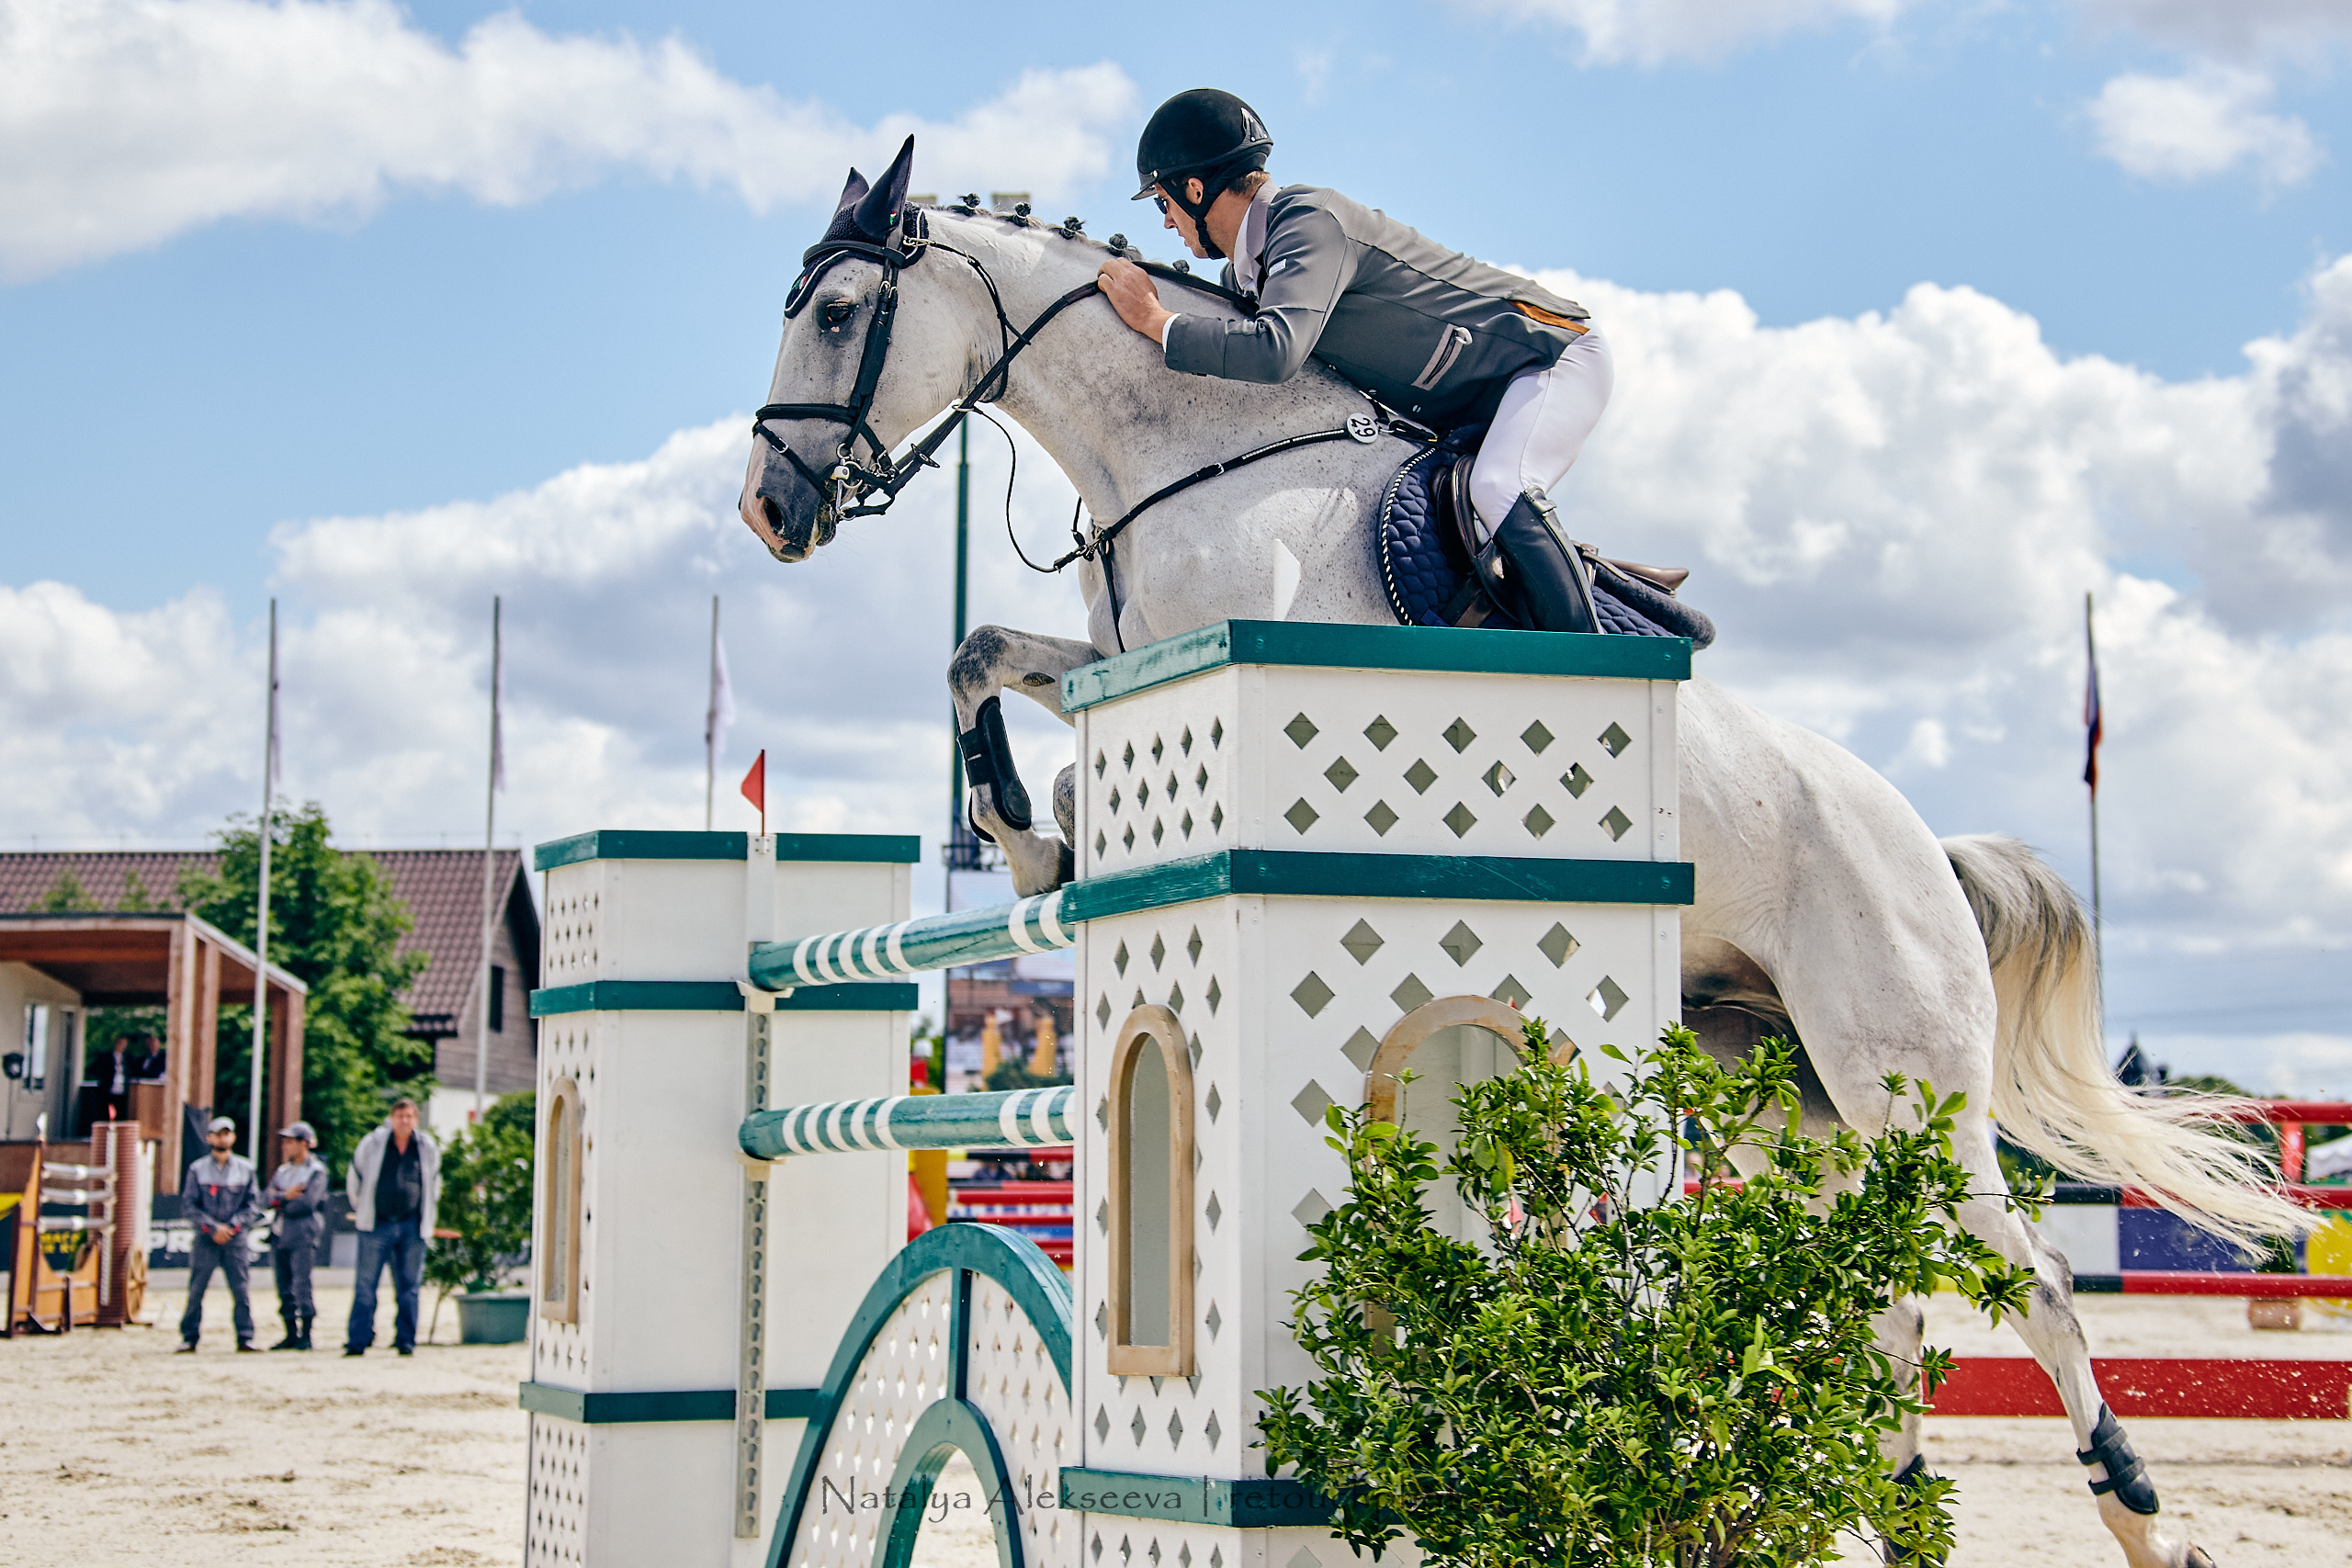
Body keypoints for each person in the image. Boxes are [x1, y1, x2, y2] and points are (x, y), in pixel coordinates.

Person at [1095, 88, 1615, 633]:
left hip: (1551, 355)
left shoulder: (1308, 221)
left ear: (1194, 188)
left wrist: (1156, 320)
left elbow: (1274, 352)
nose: (1165, 221)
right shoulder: (1247, 271)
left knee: (1498, 486)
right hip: (1472, 399)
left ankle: (1593, 662)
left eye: (1162, 202)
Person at [344, 1099, 438, 1358]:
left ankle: (406, 1341)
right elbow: (355, 1176)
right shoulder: (373, 1143)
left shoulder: (426, 1146)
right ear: (391, 1118)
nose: (404, 1121)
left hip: (412, 1225)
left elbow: (434, 1181)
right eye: (399, 1116)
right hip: (377, 1224)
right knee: (365, 1286)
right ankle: (358, 1341)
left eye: (409, 1116)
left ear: (416, 1119)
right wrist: (362, 1208)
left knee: (409, 1287)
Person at [177, 1114, 261, 1352]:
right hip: (207, 1238)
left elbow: (253, 1205)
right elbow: (189, 1205)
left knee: (241, 1290)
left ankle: (245, 1337)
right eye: (218, 1134)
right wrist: (212, 1228)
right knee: (196, 1290)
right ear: (209, 1138)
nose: (222, 1139)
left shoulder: (246, 1169)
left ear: (233, 1137)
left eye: (226, 1133)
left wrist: (232, 1227)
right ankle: (189, 1337)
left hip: (236, 1239)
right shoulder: (197, 1169)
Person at [263, 1121, 329, 1350]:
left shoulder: (317, 1171)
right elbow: (265, 1197)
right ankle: (290, 1332)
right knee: (283, 1284)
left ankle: (306, 1334)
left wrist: (280, 1201)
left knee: (301, 1283)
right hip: (280, 1232)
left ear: (304, 1144)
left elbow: (308, 1202)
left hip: (303, 1232)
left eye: (290, 1142)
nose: (285, 1146)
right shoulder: (283, 1171)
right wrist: (285, 1196)